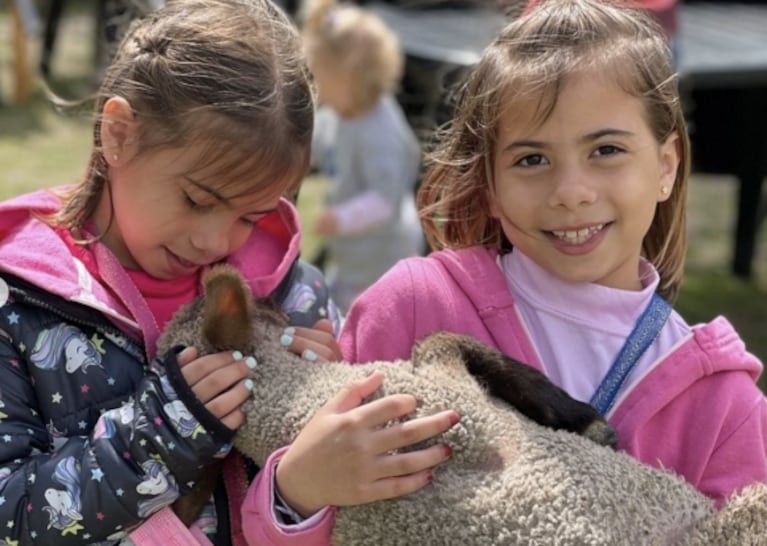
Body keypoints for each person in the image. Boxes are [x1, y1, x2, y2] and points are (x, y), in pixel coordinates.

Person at [241, 0, 767, 543]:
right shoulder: (413, 307)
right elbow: (324, 517)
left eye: (606, 149)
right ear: (489, 187)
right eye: (531, 160)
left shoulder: (723, 408)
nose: (570, 192)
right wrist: (296, 489)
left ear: (666, 166)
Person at [0, 0, 344, 544]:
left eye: (251, 216)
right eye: (196, 200)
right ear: (118, 134)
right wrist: (165, 429)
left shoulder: (293, 293)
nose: (215, 241)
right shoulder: (17, 305)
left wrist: (321, 408)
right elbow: (9, 517)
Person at [303, 0, 424, 313]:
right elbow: (320, 140)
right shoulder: (342, 112)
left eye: (322, 78)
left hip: (383, 257)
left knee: (374, 316)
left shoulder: (380, 134)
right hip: (351, 253)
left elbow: (384, 201)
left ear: (350, 78)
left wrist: (340, 219)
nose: (318, 88)